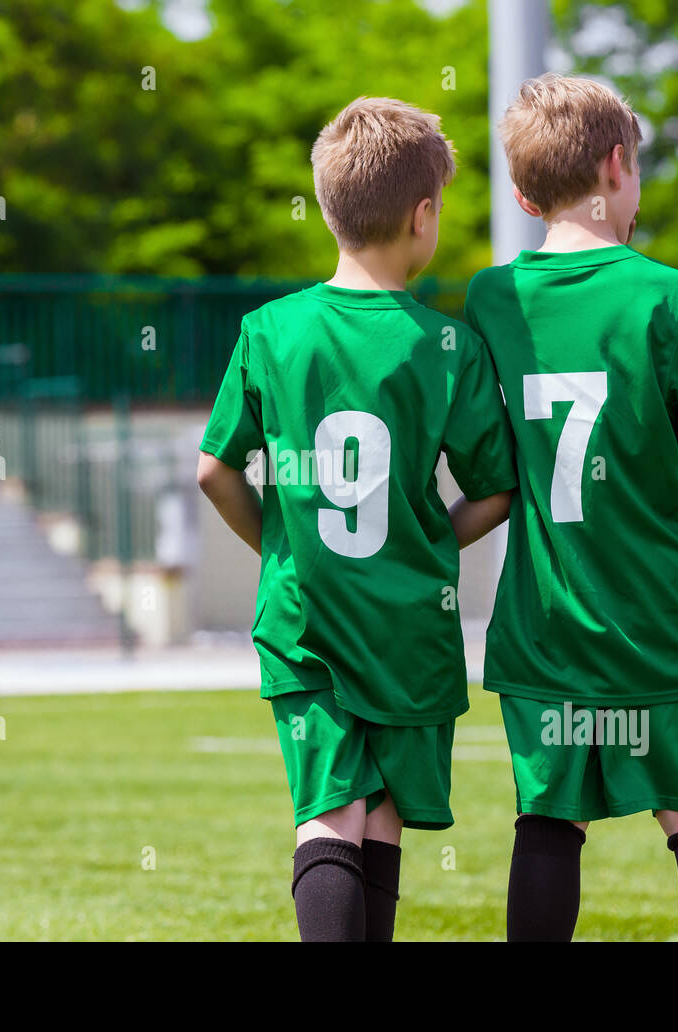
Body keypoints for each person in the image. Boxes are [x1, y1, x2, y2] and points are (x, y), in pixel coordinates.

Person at [198, 97, 517, 941]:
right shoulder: (447, 346)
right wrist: (429, 538)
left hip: (306, 617)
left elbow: (213, 470)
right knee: (379, 821)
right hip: (408, 621)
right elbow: (496, 487)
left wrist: (280, 543)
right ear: (424, 216)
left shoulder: (270, 330)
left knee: (331, 813)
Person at [465, 72, 678, 941]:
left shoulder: (490, 298)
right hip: (660, 617)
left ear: (520, 194)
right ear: (619, 162)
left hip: (544, 623)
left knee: (549, 822)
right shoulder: (676, 300)